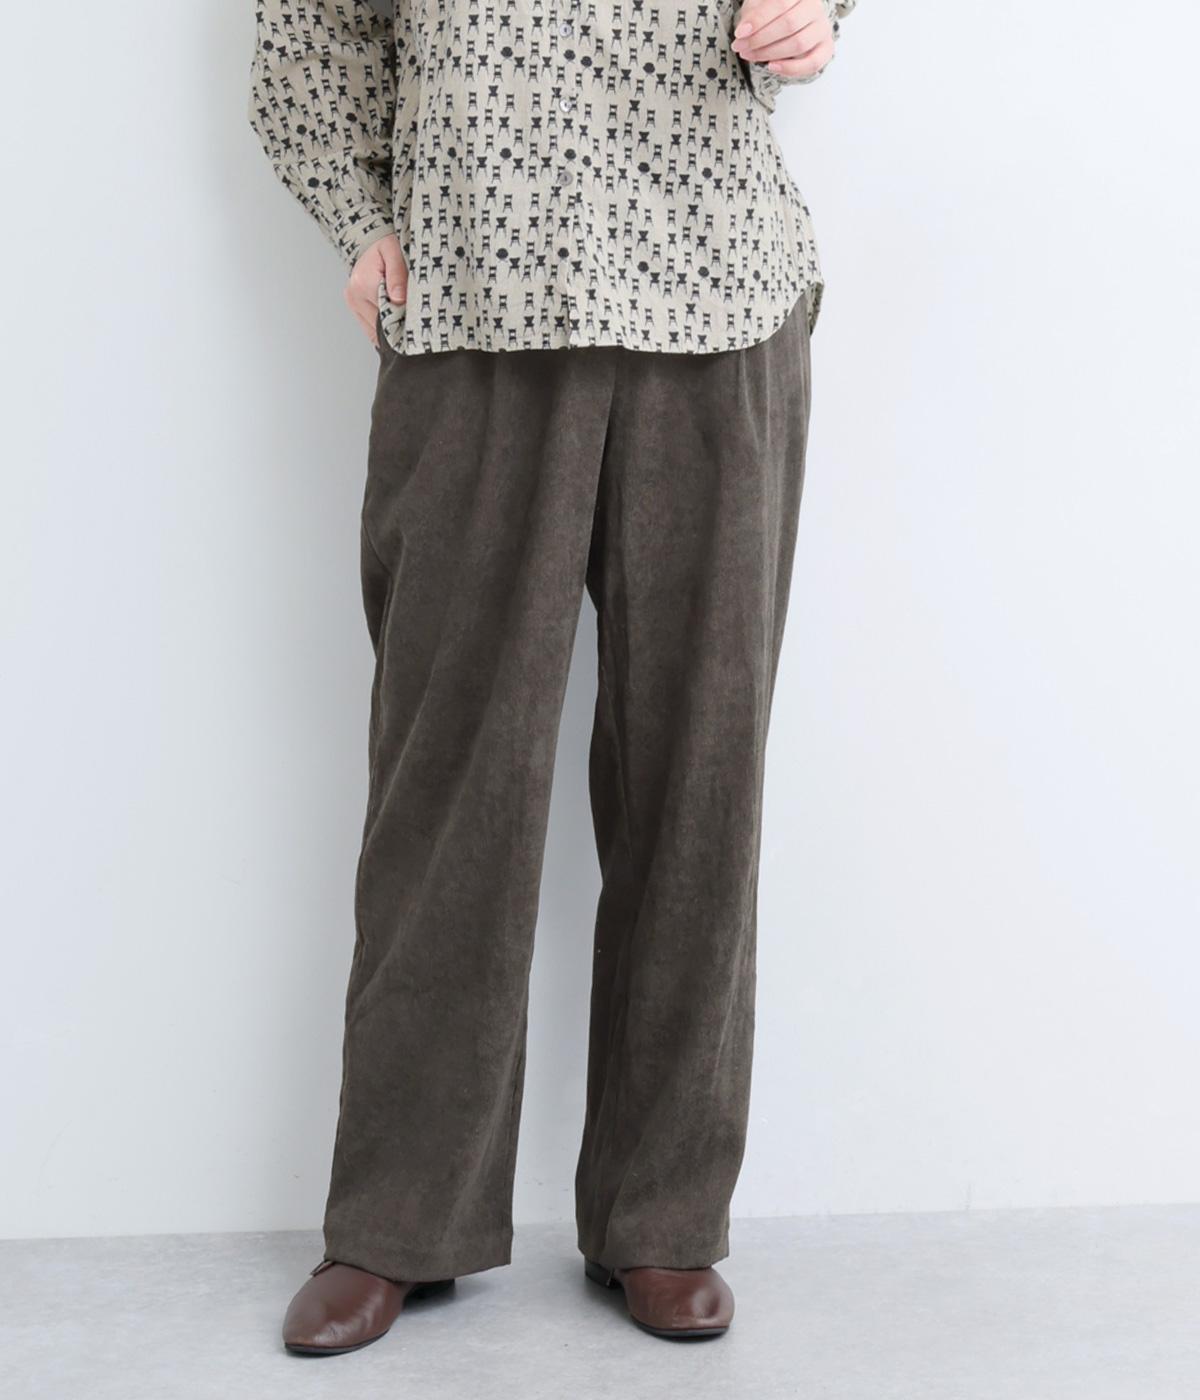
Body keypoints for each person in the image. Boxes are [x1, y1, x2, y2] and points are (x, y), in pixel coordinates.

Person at [248, 0, 856, 1353]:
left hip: (717, 291)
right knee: (447, 785)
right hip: (473, 302)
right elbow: (307, 37)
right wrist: (361, 220)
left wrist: (819, 9)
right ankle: (397, 1219)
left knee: (697, 780)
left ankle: (664, 1215)